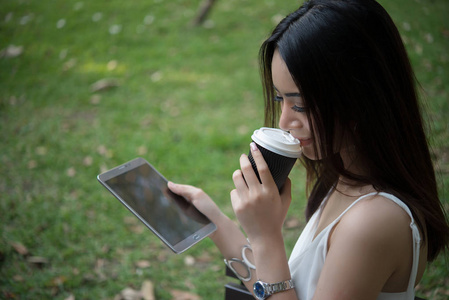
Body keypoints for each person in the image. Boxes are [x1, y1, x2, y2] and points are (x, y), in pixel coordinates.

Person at [168, 0, 449, 299]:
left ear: (361, 97)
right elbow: (283, 289)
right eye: (280, 100)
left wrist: (266, 238)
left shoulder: (372, 223)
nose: (285, 121)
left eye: (300, 104)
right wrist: (216, 223)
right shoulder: (346, 179)